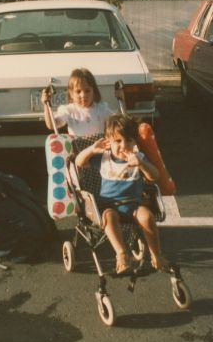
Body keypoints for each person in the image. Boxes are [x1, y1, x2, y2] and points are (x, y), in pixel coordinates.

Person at [75, 113, 169, 275]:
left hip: (134, 205)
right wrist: (92, 149)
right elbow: (79, 162)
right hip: (110, 206)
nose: (123, 146)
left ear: (135, 142)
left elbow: (155, 176)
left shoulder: (138, 158)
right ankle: (121, 254)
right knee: (108, 218)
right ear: (108, 141)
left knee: (147, 217)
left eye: (129, 141)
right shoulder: (103, 158)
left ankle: (156, 254)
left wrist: (141, 164)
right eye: (118, 141)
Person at [41, 67, 113, 137]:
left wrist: (122, 96)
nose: (83, 95)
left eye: (87, 91)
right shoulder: (69, 111)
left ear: (93, 91)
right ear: (71, 94)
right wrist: (46, 105)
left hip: (99, 148)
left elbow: (119, 121)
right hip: (79, 149)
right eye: (78, 91)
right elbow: (51, 125)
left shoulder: (101, 110)